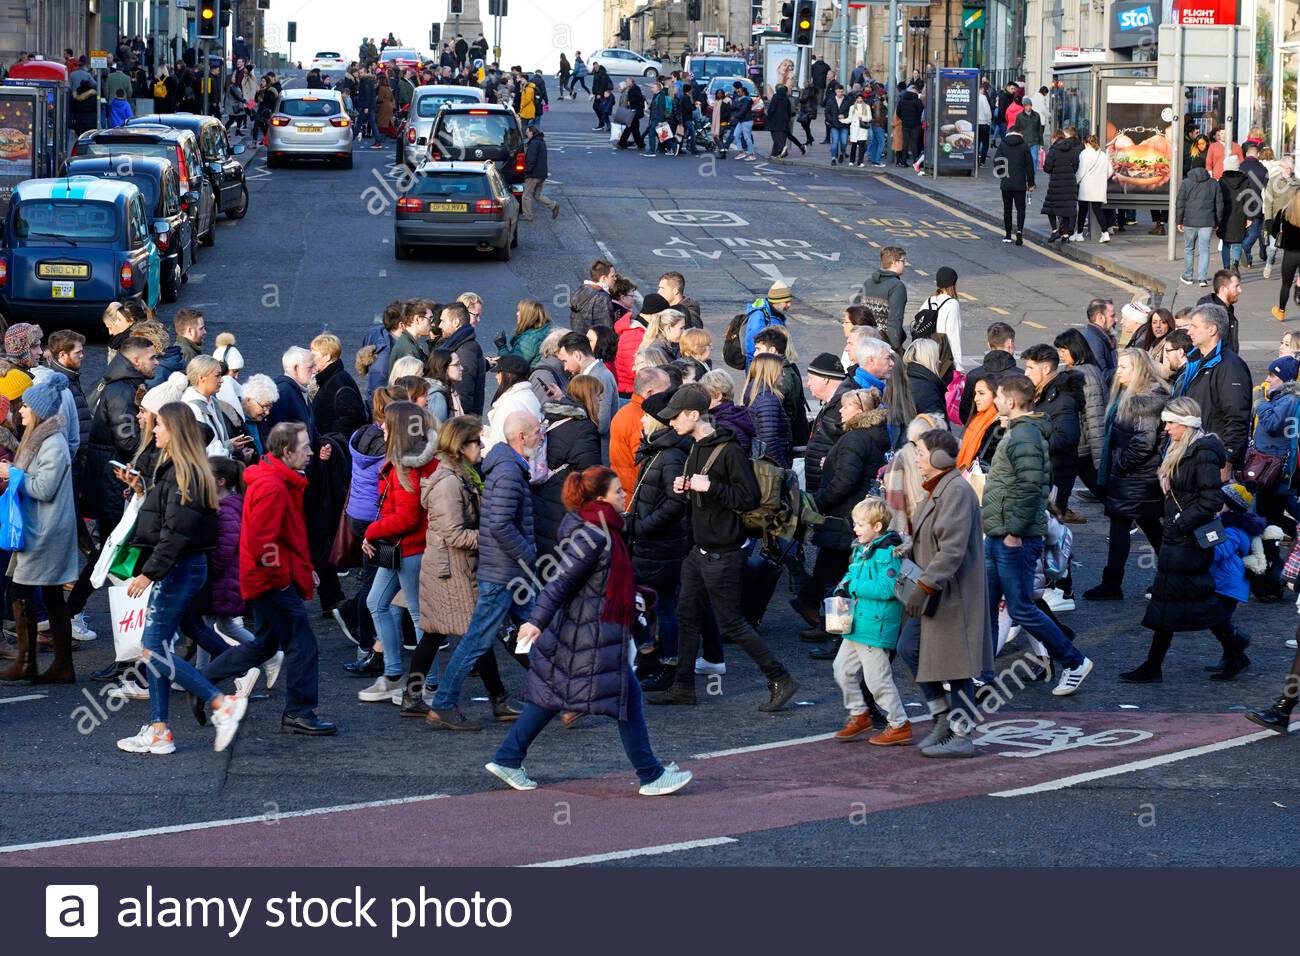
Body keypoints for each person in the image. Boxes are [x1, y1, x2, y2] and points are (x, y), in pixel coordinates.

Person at [485, 466, 693, 796]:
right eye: (618, 492)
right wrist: (535, 621)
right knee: (626, 699)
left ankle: (508, 758)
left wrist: (636, 595)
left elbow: (599, 581)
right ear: (600, 499)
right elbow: (561, 582)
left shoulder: (599, 529)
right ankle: (650, 775)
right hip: (589, 633)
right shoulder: (593, 535)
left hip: (581, 631)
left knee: (551, 696)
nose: (624, 494)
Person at [647, 385, 797, 711]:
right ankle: (683, 686)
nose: (671, 422)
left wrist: (710, 486)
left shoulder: (728, 450)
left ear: (693, 415)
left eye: (675, 417)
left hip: (724, 553)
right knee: (687, 616)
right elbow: (704, 498)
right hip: (699, 551)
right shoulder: (694, 447)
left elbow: (748, 498)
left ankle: (780, 677)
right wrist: (685, 488)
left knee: (732, 623)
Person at [114, 405, 247, 755]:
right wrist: (143, 490)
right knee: (159, 647)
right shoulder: (183, 471)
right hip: (183, 568)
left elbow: (176, 533)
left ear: (175, 430)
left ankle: (220, 703)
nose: (153, 431)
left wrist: (148, 573)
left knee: (151, 648)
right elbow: (170, 520)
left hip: (177, 569)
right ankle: (160, 729)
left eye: (159, 425)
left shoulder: (182, 475)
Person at [201, 421, 336, 735]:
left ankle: (202, 682)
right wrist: (284, 579)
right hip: (271, 582)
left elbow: (281, 538)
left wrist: (303, 568)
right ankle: (299, 713)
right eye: (305, 447)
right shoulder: (274, 486)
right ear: (287, 452)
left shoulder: (274, 479)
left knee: (263, 645)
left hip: (265, 579)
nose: (311, 452)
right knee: (303, 645)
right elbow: (265, 543)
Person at [1120, 398, 1250, 682]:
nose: (1165, 429)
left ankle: (1154, 666)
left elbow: (1211, 499)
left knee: (1171, 601)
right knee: (1193, 600)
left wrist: (1180, 523)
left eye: (1170, 423)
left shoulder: (1201, 453)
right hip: (1181, 539)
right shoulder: (1187, 448)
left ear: (1187, 424)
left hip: (1187, 540)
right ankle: (1234, 650)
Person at [426, 411, 541, 730]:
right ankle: (444, 703)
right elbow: (499, 525)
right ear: (522, 436)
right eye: (537, 431)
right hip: (503, 571)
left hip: (503, 570)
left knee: (535, 630)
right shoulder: (506, 472)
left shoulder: (499, 469)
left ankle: (562, 694)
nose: (540, 436)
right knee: (478, 640)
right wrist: (527, 554)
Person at [982, 376, 1095, 696]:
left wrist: (1015, 532)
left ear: (1011, 401)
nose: (996, 400)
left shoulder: (1025, 437)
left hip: (1013, 537)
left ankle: (1074, 661)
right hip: (1000, 534)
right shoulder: (1018, 433)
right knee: (988, 606)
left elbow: (1032, 488)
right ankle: (982, 675)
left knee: (1020, 609)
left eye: (999, 395)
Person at [901, 428, 989, 757]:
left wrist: (923, 586)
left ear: (939, 458)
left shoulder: (955, 491)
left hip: (950, 594)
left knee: (957, 665)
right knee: (911, 649)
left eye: (922, 454)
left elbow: (951, 551)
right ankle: (942, 717)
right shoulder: (941, 487)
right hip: (936, 591)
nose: (918, 460)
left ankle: (961, 735)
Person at [356, 402, 439, 704]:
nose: (382, 428)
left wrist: (372, 532)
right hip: (402, 548)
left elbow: (407, 518)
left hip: (410, 549)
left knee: (419, 617)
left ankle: (428, 684)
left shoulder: (407, 465)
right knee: (377, 603)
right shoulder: (409, 460)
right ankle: (395, 677)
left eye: (388, 424)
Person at [0, 379, 79, 684]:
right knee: (50, 595)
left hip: (45, 531)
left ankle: (27, 662)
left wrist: (12, 474)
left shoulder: (52, 443)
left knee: (20, 592)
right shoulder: (42, 437)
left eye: (27, 406)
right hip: (41, 528)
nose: (21, 410)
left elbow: (43, 489)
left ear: (39, 411)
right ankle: (60, 665)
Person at [1084, 349, 1170, 599]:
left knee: (1134, 527)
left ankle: (1115, 584)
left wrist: (1119, 463)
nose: (1118, 371)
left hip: (1136, 477)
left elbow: (1144, 442)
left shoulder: (1145, 400)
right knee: (1145, 527)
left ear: (1139, 370)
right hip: (1133, 477)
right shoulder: (1131, 394)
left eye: (1124, 367)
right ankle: (1168, 577)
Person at [831, 497, 912, 745]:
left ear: (877, 527)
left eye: (860, 524)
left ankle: (899, 723)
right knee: (841, 669)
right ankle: (859, 713)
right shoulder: (861, 548)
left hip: (876, 626)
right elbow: (850, 575)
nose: (855, 528)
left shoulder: (887, 553)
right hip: (857, 624)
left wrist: (852, 587)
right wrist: (840, 590)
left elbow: (886, 588)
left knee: (877, 680)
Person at [532, 375, 603, 558]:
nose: (602, 400)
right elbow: (591, 474)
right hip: (563, 503)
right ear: (589, 397)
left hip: (544, 498)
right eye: (599, 396)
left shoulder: (556, 417)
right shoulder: (584, 428)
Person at [1176, 303, 1252, 470]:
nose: (1189, 332)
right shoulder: (1194, 361)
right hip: (1190, 453)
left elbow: (1237, 417)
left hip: (1212, 459)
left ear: (1211, 330)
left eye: (1194, 327)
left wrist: (1228, 459)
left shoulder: (1230, 366)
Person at [1054, 329, 1108, 509]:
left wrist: (1100, 458)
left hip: (1084, 447)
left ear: (1075, 349)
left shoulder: (1086, 375)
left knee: (1101, 488)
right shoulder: (1076, 370)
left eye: (1063, 350)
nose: (1060, 354)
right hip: (1080, 445)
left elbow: (1095, 416)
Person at [556, 331, 617, 457]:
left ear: (577, 355)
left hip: (597, 454)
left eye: (565, 360)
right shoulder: (593, 375)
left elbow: (601, 425)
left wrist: (565, 404)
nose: (565, 367)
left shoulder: (599, 378)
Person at [611, 366, 670, 495]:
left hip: (628, 490)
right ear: (649, 392)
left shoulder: (626, 411)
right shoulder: (643, 419)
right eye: (665, 391)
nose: (668, 396)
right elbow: (643, 464)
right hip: (635, 495)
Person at [1178, 155, 1224, 287]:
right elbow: (1219, 204)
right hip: (1207, 221)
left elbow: (1180, 203)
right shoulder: (1213, 183)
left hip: (1189, 221)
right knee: (1204, 249)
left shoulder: (1186, 182)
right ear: (1204, 166)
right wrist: (1217, 221)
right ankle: (1202, 278)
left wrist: (1179, 220)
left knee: (1188, 248)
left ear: (1192, 166)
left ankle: (1188, 276)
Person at [960, 322, 1018, 423]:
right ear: (1010, 343)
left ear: (988, 345)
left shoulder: (973, 375)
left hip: (979, 431)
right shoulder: (1020, 377)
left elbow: (965, 413)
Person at [435, 302, 486, 416]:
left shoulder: (464, 351)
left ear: (456, 322)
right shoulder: (459, 345)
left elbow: (463, 394)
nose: (440, 325)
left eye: (443, 321)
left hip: (462, 422)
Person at [484, 355, 542, 451]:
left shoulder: (510, 404)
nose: (496, 376)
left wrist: (477, 442)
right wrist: (485, 431)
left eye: (499, 372)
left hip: (510, 463)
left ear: (508, 375)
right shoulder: (527, 395)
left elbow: (501, 447)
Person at [854, 246, 908, 350]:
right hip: (883, 346)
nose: (904, 264)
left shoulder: (868, 282)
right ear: (894, 262)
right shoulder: (897, 286)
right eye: (903, 261)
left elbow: (855, 311)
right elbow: (895, 321)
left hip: (865, 342)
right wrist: (895, 348)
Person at [915, 267, 964, 372]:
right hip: (941, 355)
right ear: (953, 284)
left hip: (924, 352)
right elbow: (953, 335)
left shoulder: (928, 300)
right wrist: (958, 366)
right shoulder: (952, 303)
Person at [1042, 127, 1082, 242]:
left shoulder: (1053, 150)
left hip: (1056, 183)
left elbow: (1047, 168)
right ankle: (1065, 235)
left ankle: (1055, 231)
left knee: (1050, 208)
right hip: (1070, 183)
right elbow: (1075, 166)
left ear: (1055, 138)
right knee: (1065, 209)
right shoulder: (1071, 150)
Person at [1073, 133, 1113, 242]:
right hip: (1099, 187)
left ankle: (1079, 234)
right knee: (1098, 210)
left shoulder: (1084, 154)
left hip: (1086, 187)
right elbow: (1110, 171)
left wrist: (1075, 181)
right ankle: (1105, 233)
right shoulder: (1103, 155)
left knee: (1082, 211)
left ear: (1086, 143)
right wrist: (1101, 178)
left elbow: (1081, 171)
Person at [497, 299, 554, 368]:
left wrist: (502, 347)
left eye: (519, 311)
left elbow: (514, 366)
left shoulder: (530, 339)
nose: (517, 314)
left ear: (528, 316)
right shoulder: (543, 331)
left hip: (528, 377)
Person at [1197, 269, 1242, 355]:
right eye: (1236, 286)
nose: (1240, 290)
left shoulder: (1227, 309)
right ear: (1223, 289)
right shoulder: (1212, 313)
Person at [1271, 192, 1300, 322]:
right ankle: (1298, 289)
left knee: (1286, 284)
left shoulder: (1284, 212)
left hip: (1290, 254)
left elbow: (1274, 231)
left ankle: (1281, 311)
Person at [521, 125, 559, 222]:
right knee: (536, 195)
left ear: (531, 132)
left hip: (533, 174)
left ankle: (528, 216)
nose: (526, 134)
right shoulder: (541, 142)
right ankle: (553, 205)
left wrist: (526, 171)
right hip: (541, 174)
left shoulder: (534, 143)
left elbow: (531, 160)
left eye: (527, 132)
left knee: (526, 196)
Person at [569, 260, 617, 335]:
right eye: (612, 276)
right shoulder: (602, 297)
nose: (615, 279)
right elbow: (606, 329)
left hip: (580, 340)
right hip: (594, 343)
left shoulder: (581, 291)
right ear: (603, 278)